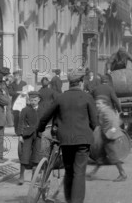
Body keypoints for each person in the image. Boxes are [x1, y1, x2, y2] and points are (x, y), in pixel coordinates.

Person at [37, 69, 98, 203]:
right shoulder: (87, 97)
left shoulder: (60, 97)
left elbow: (45, 117)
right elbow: (95, 122)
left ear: (69, 83)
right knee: (79, 172)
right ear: (81, 82)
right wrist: (87, 130)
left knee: (69, 170)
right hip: (82, 141)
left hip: (65, 141)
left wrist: (40, 129)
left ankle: (69, 200)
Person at [87, 96, 127, 182]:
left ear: (104, 104)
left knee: (113, 156)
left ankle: (123, 174)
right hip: (105, 136)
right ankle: (93, 173)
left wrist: (109, 132)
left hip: (108, 136)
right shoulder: (103, 111)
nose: (97, 105)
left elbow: (113, 122)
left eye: (99, 103)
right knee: (100, 156)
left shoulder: (106, 111)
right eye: (96, 104)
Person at [16, 91, 44, 185]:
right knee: (24, 155)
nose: (33, 102)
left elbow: (46, 122)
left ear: (39, 100)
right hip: (27, 135)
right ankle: (21, 176)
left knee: (36, 155)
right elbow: (20, 123)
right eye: (31, 100)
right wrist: (20, 135)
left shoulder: (43, 110)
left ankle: (34, 176)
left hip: (39, 135)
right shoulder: (25, 110)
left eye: (35, 100)